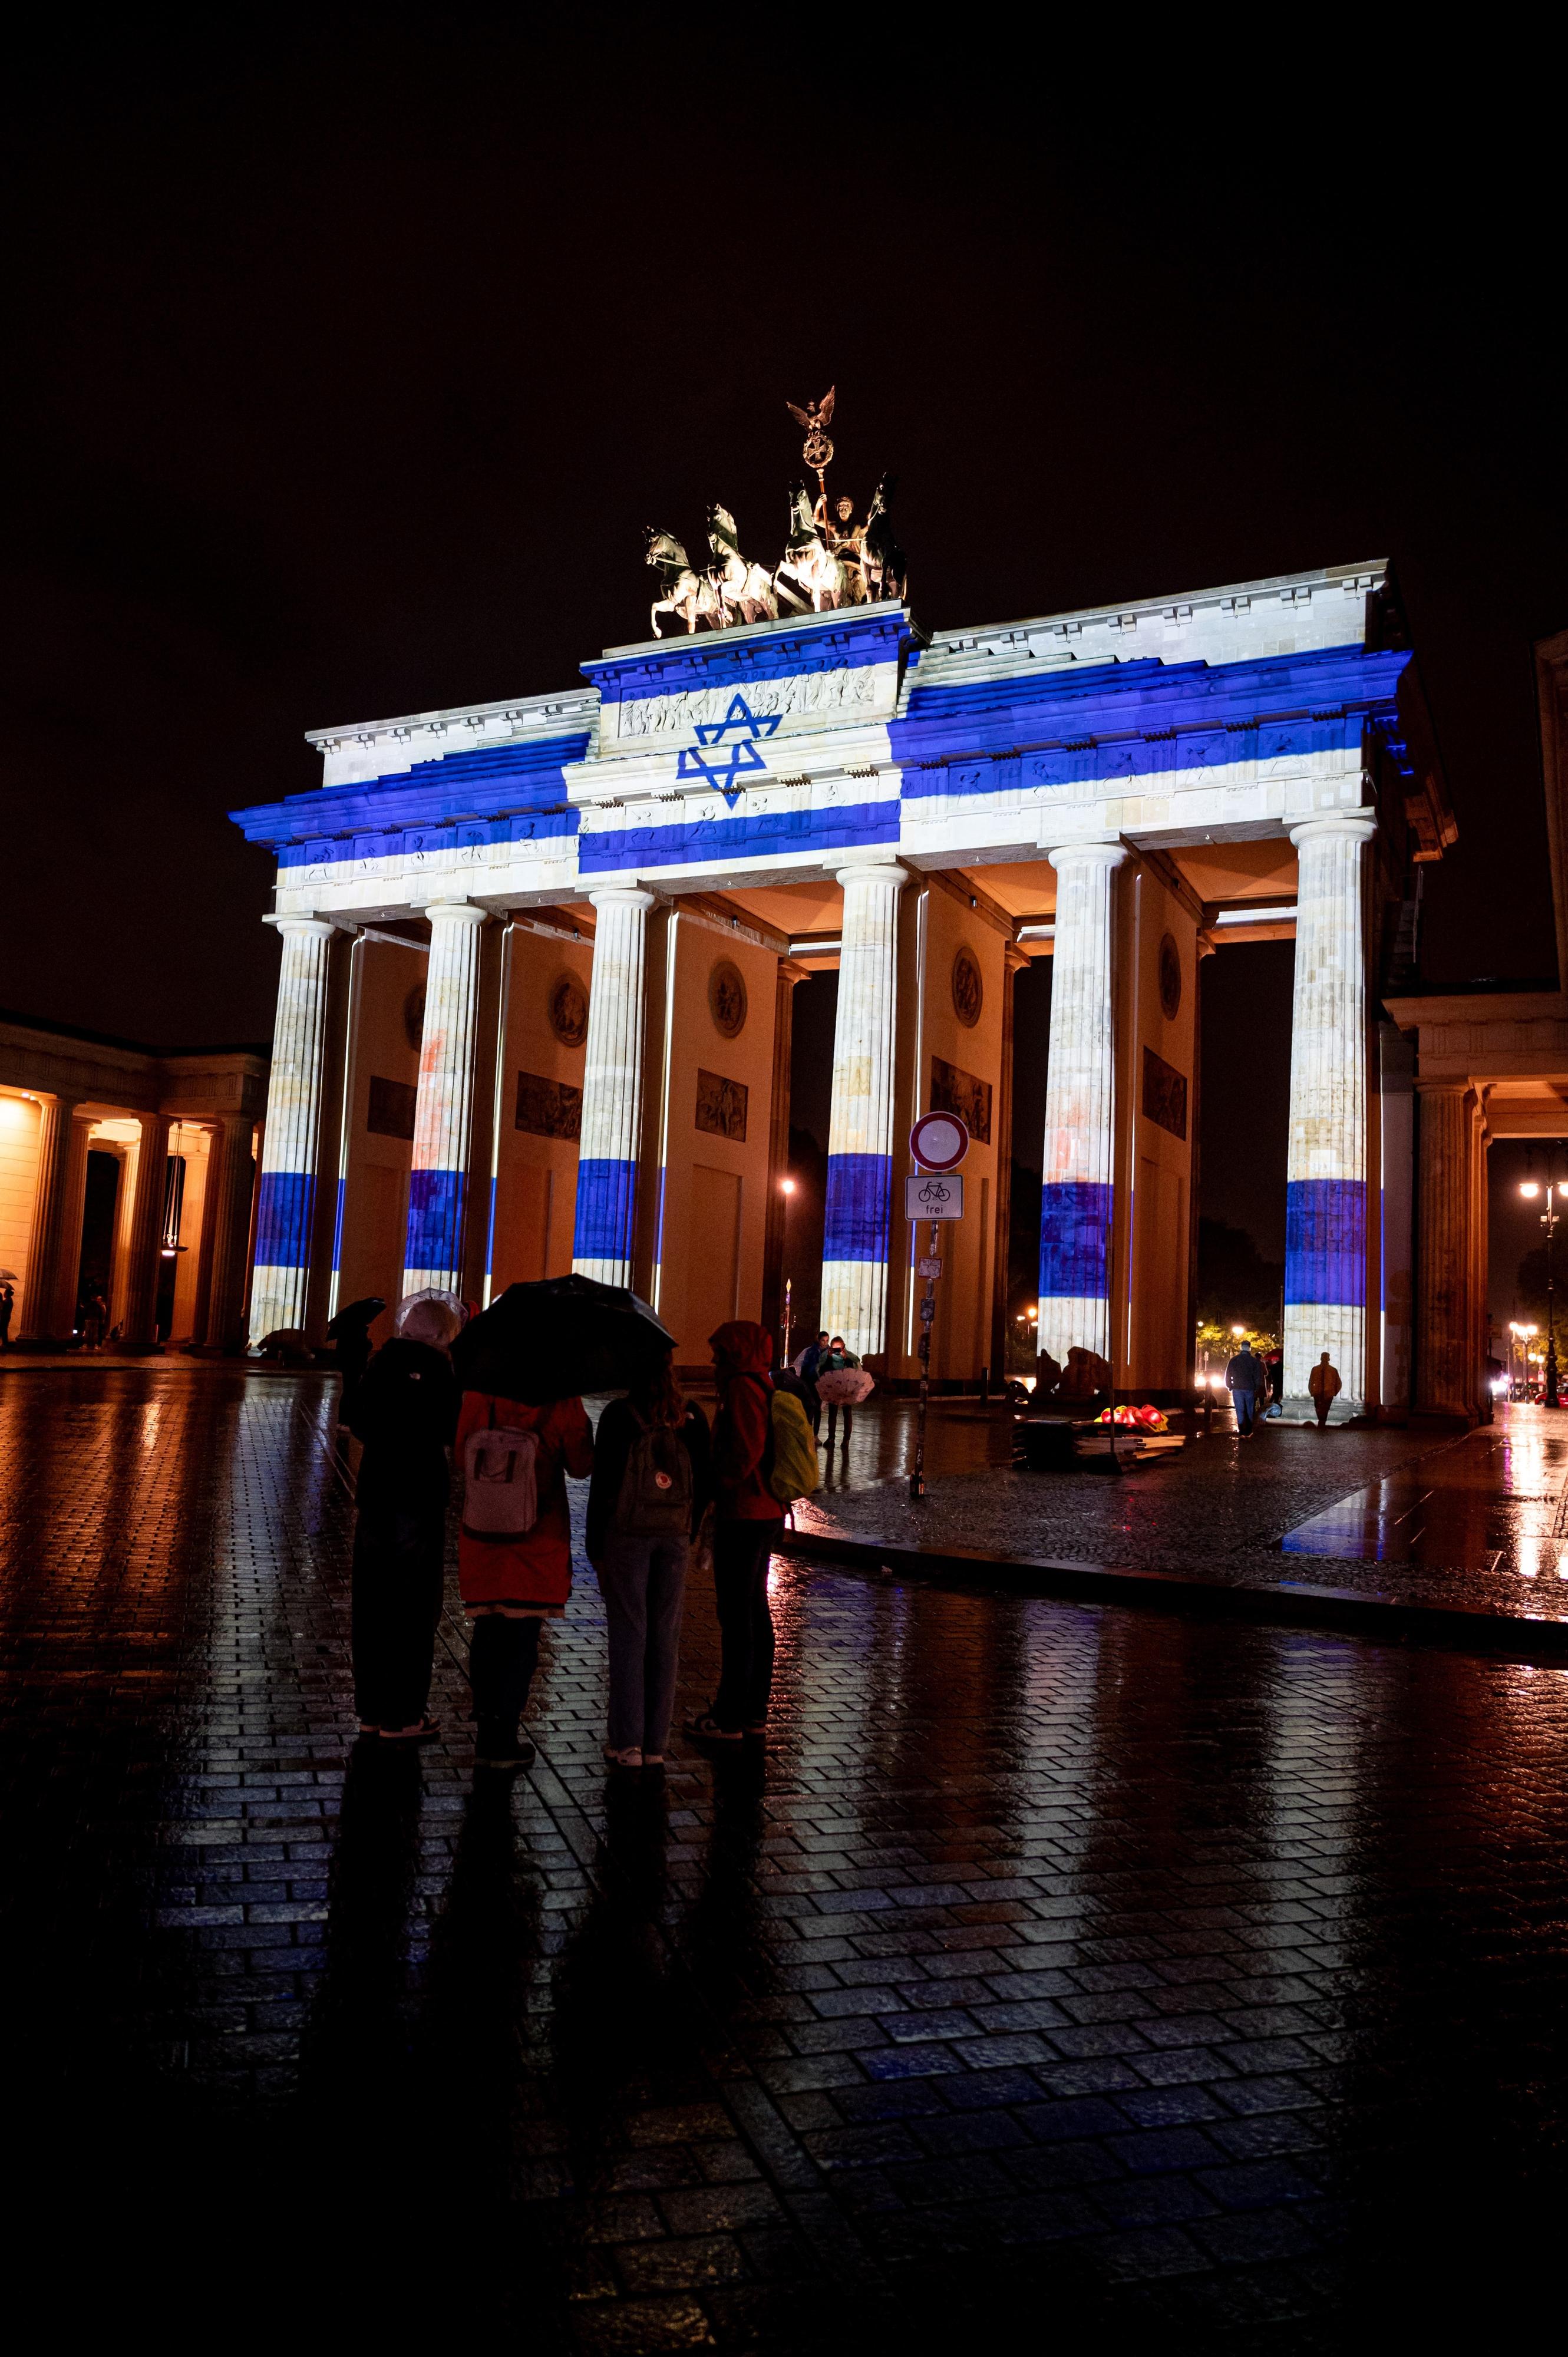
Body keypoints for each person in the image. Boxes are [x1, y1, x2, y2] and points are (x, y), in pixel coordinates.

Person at [455, 1372, 594, 1771]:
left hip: (483, 1533)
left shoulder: (480, 1391)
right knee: (521, 1640)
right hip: (537, 1539)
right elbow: (582, 1464)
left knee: (487, 1631)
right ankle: (504, 1736)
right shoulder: (561, 1395)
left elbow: (461, 1453)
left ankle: (486, 1729)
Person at [347, 1289, 464, 1742]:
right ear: (440, 1335)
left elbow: (356, 1418)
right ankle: (405, 1714)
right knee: (415, 1609)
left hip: (377, 1494)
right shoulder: (440, 1370)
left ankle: (371, 1710)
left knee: (372, 1605)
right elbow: (451, 1428)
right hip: (420, 1496)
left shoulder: (380, 1364)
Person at [586, 1348, 710, 1770]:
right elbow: (705, 1481)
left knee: (629, 1635)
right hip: (673, 1536)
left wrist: (595, 1550)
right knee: (665, 1638)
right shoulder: (691, 1414)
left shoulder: (619, 1415)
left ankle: (627, 1744)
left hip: (627, 1535)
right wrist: (688, 1531)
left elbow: (603, 1487)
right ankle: (656, 1743)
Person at [686, 1321, 785, 1744]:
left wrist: (715, 1480)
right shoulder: (760, 1383)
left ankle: (729, 1716)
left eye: (719, 1352)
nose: (712, 1361)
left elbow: (743, 1453)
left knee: (737, 1616)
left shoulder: (743, 1389)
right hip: (765, 1512)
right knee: (754, 1613)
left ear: (736, 1353)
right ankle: (753, 1712)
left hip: (745, 1513)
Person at [818, 1336, 861, 1453]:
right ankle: (832, 1438)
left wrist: (845, 1359)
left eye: (839, 1349)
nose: (837, 1351)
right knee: (834, 1413)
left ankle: (845, 1440)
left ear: (844, 1347)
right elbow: (823, 1371)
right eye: (834, 1349)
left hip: (847, 1389)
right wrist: (829, 1358)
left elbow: (853, 1372)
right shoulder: (828, 1358)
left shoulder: (849, 1358)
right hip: (834, 1388)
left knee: (846, 1413)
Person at [1224, 1338, 1268, 1438]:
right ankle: (1249, 1430)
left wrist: (1230, 1386)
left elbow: (1228, 1374)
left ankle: (1242, 1430)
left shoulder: (1234, 1360)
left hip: (1237, 1388)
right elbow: (1258, 1376)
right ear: (1249, 1348)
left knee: (1239, 1409)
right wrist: (1256, 1387)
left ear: (1241, 1348)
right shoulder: (1254, 1362)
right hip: (1249, 1388)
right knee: (1249, 1408)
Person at [793, 1329, 829, 1434]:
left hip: (822, 1383)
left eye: (827, 1340)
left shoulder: (828, 1352)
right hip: (810, 1382)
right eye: (823, 1340)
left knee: (818, 1409)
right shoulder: (810, 1351)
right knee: (809, 1407)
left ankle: (815, 1434)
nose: (825, 1343)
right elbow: (803, 1366)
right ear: (819, 1340)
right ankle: (807, 1431)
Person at [1309, 1351, 1342, 1428]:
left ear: (1329, 1359)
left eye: (1326, 1357)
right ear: (1321, 1358)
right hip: (1318, 1392)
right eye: (1323, 1357)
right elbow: (1311, 1381)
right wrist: (1312, 1391)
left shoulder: (1333, 1370)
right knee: (1318, 1408)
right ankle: (1322, 1421)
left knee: (1326, 1408)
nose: (1324, 1359)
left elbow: (1338, 1383)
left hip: (1328, 1393)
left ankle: (1323, 1422)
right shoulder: (1315, 1369)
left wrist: (1334, 1392)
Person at [0, 1280, 15, 1349]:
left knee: (3, 1330)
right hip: (6, 1317)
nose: (4, 1294)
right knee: (3, 1330)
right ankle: (5, 1343)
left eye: (5, 1293)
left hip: (4, 1318)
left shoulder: (7, 1301)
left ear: (7, 1294)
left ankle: (5, 1343)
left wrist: (0, 1300)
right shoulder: (9, 1300)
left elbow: (2, 1308)